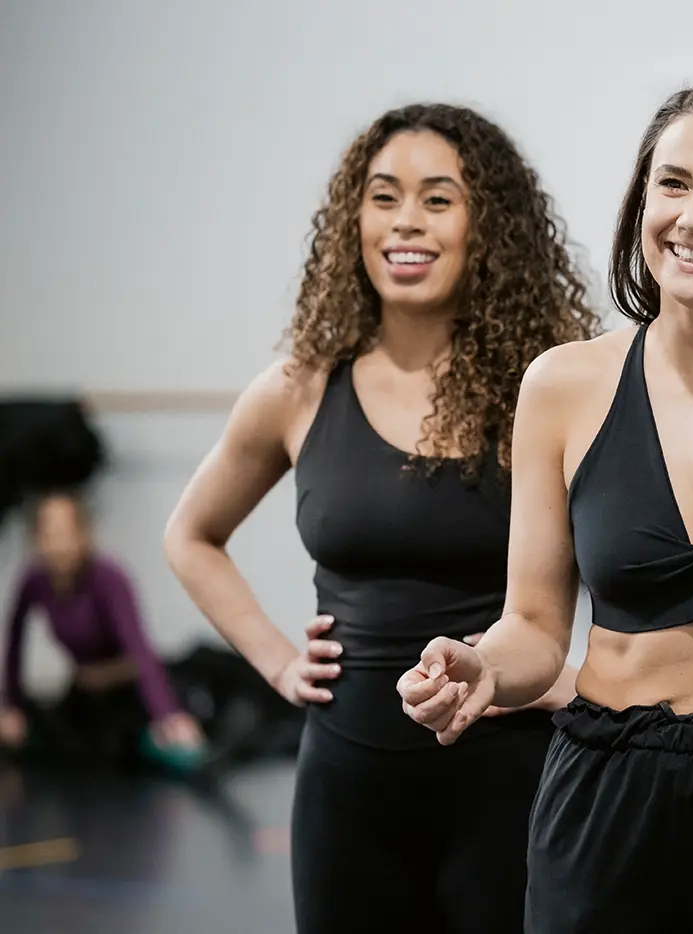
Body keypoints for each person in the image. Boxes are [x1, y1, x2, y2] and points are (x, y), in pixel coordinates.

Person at [397, 79, 693, 933]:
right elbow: (535, 626)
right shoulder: (564, 385)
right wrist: (484, 666)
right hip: (604, 793)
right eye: (673, 183)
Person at [162, 102, 598, 934]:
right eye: (384, 196)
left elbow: (631, 558)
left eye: (438, 199)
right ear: (353, 220)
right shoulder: (299, 389)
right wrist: (278, 663)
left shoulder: (547, 392)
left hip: (508, 781)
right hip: (346, 789)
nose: (406, 221)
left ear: (488, 226)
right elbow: (190, 536)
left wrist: (582, 681)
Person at [1, 489, 205, 767]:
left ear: (83, 534)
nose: (57, 544)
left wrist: (166, 715)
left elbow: (138, 647)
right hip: (85, 692)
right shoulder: (34, 580)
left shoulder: (109, 578)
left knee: (151, 749)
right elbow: (14, 642)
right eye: (47, 534)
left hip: (128, 690)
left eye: (65, 533)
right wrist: (11, 705)